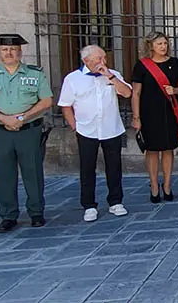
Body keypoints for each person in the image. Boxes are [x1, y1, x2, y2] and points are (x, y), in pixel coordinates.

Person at [0, 34, 52, 232]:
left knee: (32, 172)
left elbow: (46, 101)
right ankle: (8, 215)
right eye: (4, 50)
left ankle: (36, 213)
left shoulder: (35, 74)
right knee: (4, 174)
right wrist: (4, 119)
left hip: (28, 130)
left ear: (20, 51)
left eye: (12, 49)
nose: (8, 53)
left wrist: (22, 118)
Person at [57, 45, 131, 222]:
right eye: (99, 59)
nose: (103, 62)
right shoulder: (73, 79)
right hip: (86, 130)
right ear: (86, 60)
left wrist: (110, 76)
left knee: (114, 166)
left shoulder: (113, 74)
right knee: (87, 168)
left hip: (111, 127)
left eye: (104, 58)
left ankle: (115, 202)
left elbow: (127, 93)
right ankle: (89, 205)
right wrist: (75, 126)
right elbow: (65, 105)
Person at [131, 32, 178, 203]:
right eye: (159, 44)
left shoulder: (174, 63)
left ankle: (167, 185)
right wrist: (136, 117)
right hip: (149, 113)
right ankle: (154, 186)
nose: (163, 47)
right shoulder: (142, 65)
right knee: (152, 150)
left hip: (169, 111)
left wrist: (175, 91)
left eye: (165, 43)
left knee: (168, 149)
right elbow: (136, 93)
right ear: (150, 47)